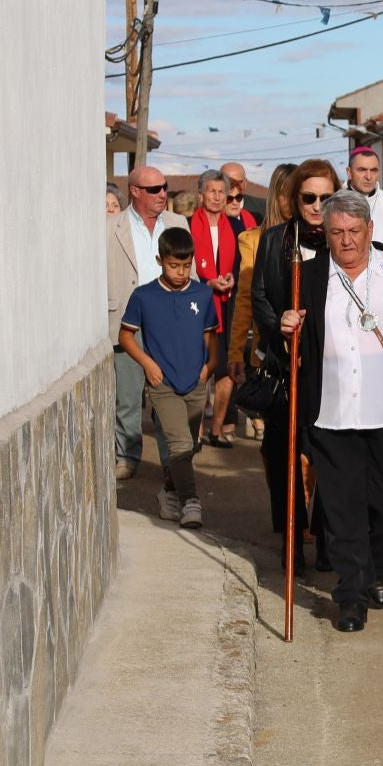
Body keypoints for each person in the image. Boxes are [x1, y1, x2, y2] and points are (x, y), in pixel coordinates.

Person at [277, 191, 383, 633]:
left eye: (354, 231)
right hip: (332, 412)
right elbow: (290, 344)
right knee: (341, 508)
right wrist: (287, 328)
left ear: (370, 229)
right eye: (337, 232)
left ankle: (379, 567)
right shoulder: (308, 277)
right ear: (325, 234)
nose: (346, 240)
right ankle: (350, 595)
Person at [251, 160, 341, 568]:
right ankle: (292, 541)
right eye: (309, 197)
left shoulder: (344, 239)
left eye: (326, 197)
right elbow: (260, 296)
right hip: (284, 366)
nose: (318, 205)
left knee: (328, 453)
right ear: (295, 199)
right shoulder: (274, 241)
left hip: (330, 365)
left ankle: (325, 535)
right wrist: (280, 326)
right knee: (282, 455)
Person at [119, 227, 217, 529]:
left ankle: (169, 492)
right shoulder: (143, 296)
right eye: (174, 265)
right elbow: (125, 336)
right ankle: (191, 502)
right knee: (180, 444)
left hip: (196, 382)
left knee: (188, 447)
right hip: (162, 384)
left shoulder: (202, 293)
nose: (181, 272)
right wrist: (147, 363)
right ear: (160, 260)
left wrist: (210, 365)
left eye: (186, 265)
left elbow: (210, 335)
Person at [106, 166, 185, 481]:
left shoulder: (178, 223)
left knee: (168, 398)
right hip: (128, 323)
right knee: (127, 397)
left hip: (169, 325)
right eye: (154, 189)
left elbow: (189, 273)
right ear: (134, 191)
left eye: (164, 187)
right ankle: (126, 455)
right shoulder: (110, 226)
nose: (162, 193)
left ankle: (170, 461)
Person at [226, 163, 296, 446]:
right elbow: (245, 299)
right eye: (287, 194)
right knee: (277, 439)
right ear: (276, 196)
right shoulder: (253, 239)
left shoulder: (320, 238)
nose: (293, 201)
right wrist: (235, 353)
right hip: (269, 351)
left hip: (309, 351)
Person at [190, 169, 242, 449]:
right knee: (199, 370)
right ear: (201, 194)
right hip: (197, 307)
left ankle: (217, 429)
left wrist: (232, 277)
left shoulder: (235, 226)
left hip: (228, 305)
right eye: (212, 191)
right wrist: (207, 282)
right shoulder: (188, 225)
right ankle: (195, 432)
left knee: (225, 369)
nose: (218, 196)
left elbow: (242, 263)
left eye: (222, 191)